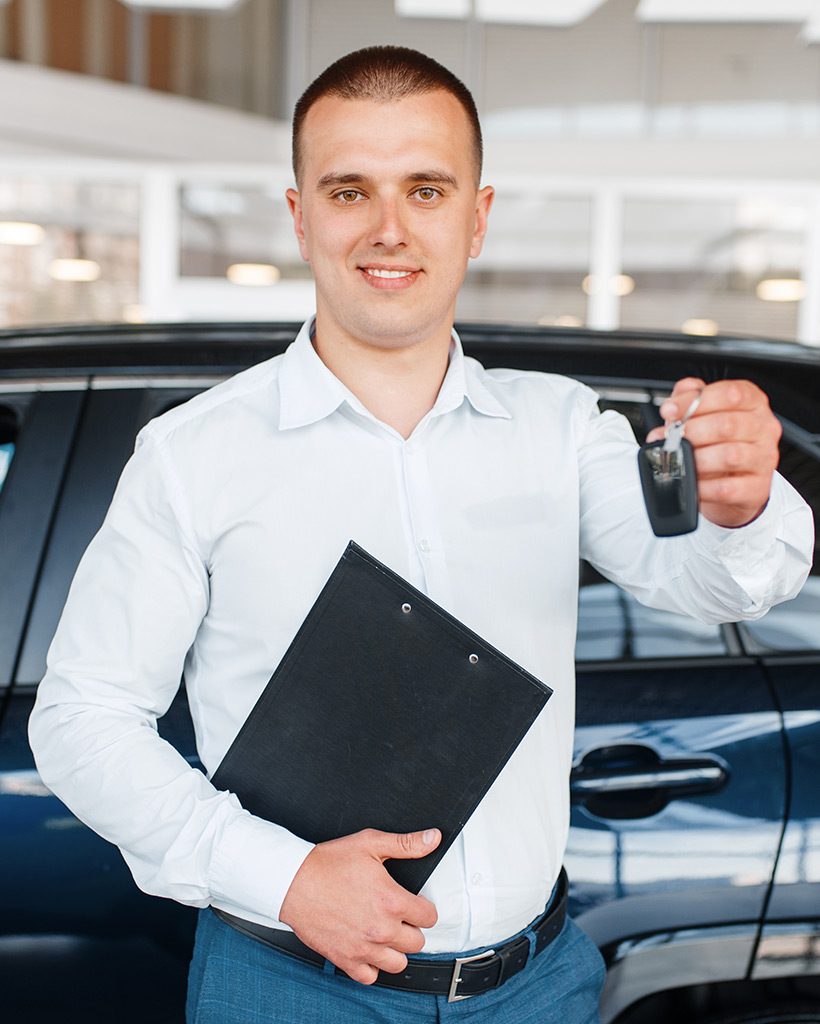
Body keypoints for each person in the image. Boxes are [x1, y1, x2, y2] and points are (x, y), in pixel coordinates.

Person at [29, 45, 812, 1024]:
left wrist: (741, 508)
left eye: (426, 188)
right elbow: (80, 720)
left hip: (539, 986)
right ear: (300, 216)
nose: (388, 227)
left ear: (476, 217)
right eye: (349, 190)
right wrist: (284, 877)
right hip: (289, 989)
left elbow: (721, 588)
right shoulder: (193, 455)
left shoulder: (561, 429)